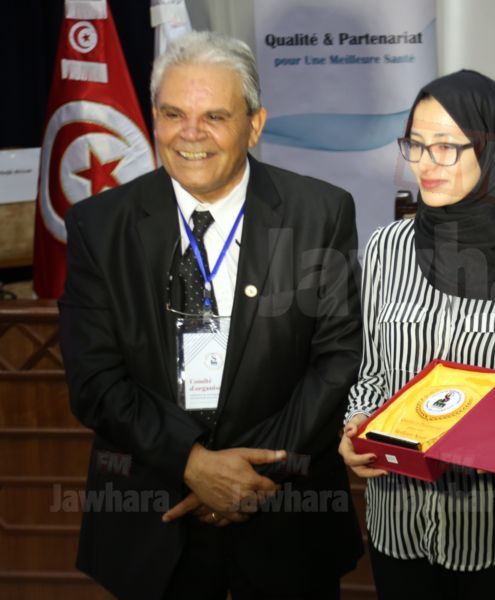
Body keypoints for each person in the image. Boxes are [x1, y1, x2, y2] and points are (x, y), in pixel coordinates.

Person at [58, 31, 363, 600]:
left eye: (214, 117)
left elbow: (337, 360)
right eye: (173, 114)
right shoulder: (99, 226)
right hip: (153, 520)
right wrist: (193, 463)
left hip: (285, 517)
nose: (190, 134)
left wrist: (248, 476)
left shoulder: (320, 212)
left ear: (255, 124)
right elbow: (94, 379)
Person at [337, 70, 495, 599]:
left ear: (493, 152)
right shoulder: (387, 248)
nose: (425, 164)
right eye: (415, 145)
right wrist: (355, 425)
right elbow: (371, 372)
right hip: (398, 528)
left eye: (446, 147)